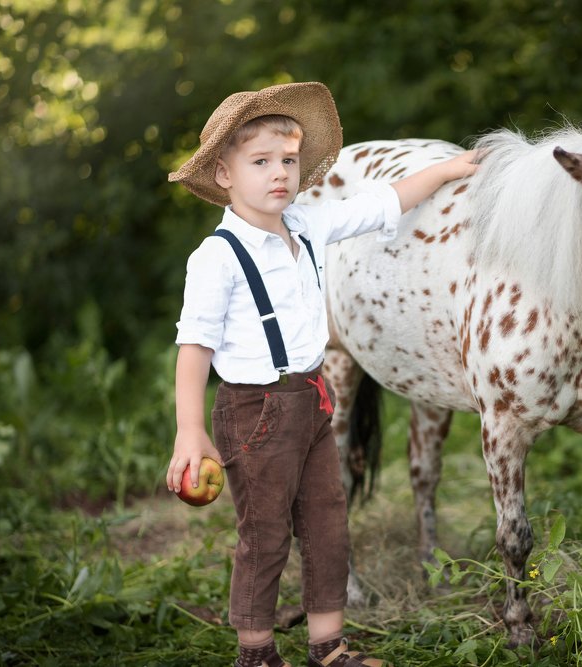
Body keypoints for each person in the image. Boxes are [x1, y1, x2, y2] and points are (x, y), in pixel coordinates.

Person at [165, 82, 476, 667]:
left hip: (313, 401)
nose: (279, 173)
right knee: (265, 534)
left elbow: (384, 202)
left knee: (329, 525)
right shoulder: (217, 257)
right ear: (225, 176)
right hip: (253, 411)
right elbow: (193, 347)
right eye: (260, 163)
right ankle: (255, 652)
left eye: (288, 161)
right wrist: (189, 430)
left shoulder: (306, 225)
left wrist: (448, 169)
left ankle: (329, 647)